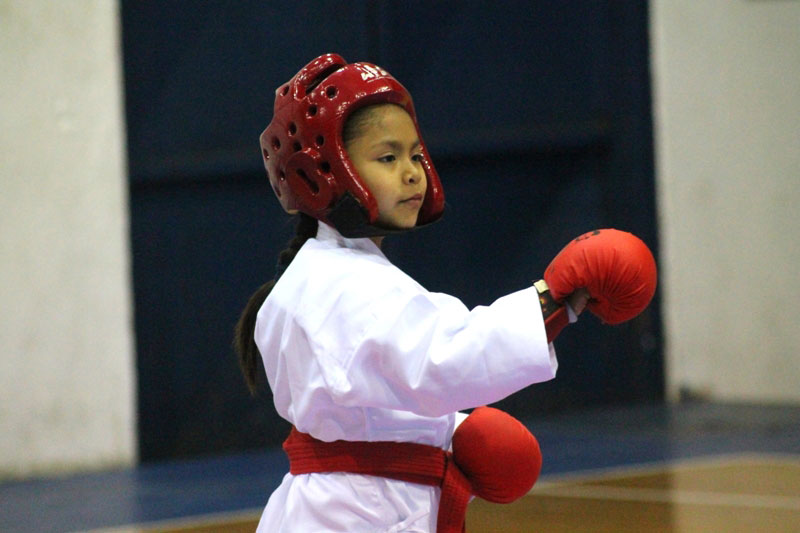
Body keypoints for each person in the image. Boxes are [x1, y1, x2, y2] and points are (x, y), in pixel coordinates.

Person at [234, 53, 655, 532]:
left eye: (415, 154)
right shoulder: (341, 287)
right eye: (387, 158)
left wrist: (453, 434)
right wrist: (552, 299)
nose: (412, 172)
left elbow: (376, 400)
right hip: (354, 515)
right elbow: (440, 359)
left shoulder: (330, 275)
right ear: (323, 172)